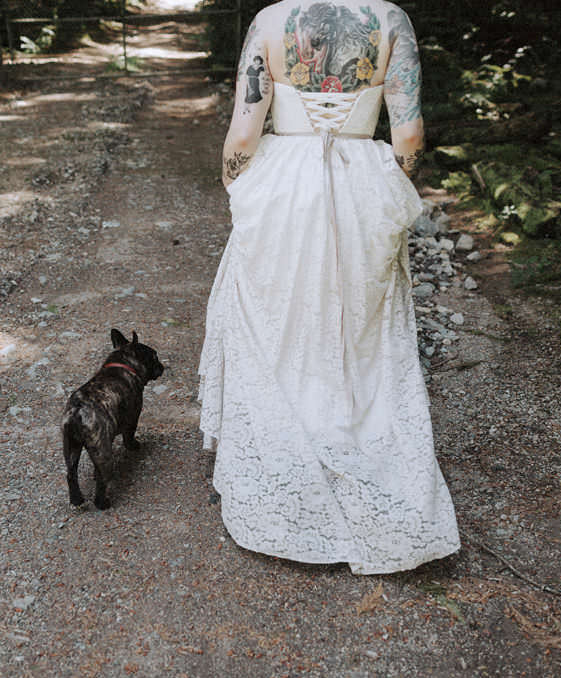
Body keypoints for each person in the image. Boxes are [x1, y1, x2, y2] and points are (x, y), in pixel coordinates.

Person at [197, 0, 460, 574]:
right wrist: (388, 193)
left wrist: (240, 195)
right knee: (359, 330)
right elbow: (409, 134)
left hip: (282, 186)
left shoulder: (271, 21)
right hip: (364, 181)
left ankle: (286, 463)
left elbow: (243, 133)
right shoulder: (390, 20)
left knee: (276, 323)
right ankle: (355, 442)